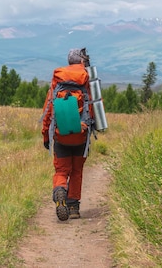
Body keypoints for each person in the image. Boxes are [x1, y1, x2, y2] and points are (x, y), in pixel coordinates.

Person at [41, 48, 95, 221]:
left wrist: (46, 136)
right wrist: (89, 127)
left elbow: (48, 109)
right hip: (81, 134)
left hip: (60, 134)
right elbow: (92, 109)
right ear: (82, 61)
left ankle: (60, 190)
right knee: (77, 170)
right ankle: (73, 209)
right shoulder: (86, 78)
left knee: (61, 170)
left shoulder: (58, 79)